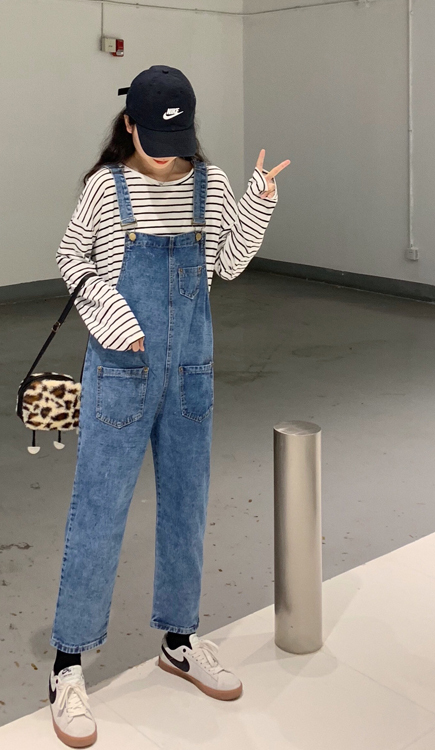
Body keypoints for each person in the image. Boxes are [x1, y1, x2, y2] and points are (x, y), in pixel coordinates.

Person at [48, 64, 289, 748]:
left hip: (190, 373)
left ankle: (179, 641)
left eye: (175, 142)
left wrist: (259, 201)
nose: (164, 155)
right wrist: (114, 317)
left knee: (187, 507)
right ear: (129, 125)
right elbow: (73, 261)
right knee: (99, 512)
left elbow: (229, 263)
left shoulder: (209, 183)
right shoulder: (106, 188)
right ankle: (67, 664)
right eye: (152, 139)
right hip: (120, 373)